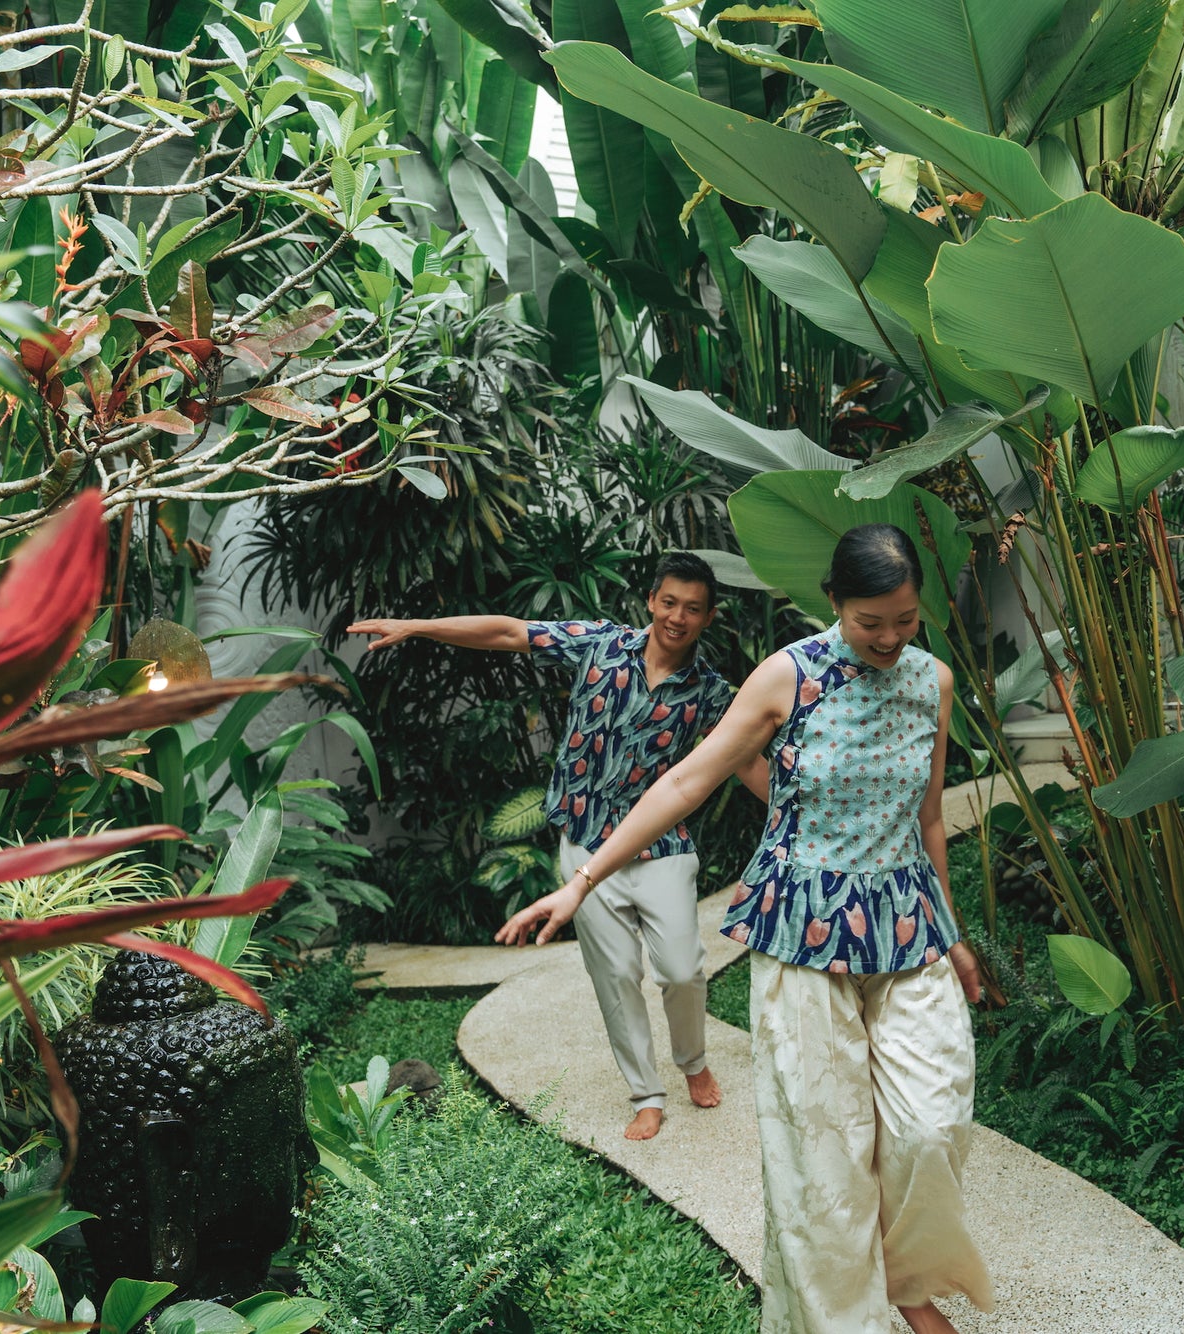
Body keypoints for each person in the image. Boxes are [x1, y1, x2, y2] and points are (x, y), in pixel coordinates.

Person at [498, 524, 995, 1334]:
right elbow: (688, 778)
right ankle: (846, 1319)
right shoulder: (786, 678)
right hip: (804, 931)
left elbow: (930, 816)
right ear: (834, 603)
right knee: (822, 1149)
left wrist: (953, 930)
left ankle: (906, 1277)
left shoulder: (930, 681)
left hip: (907, 926)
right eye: (873, 621)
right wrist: (583, 880)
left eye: (905, 620)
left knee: (931, 1126)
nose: (891, 638)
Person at [348, 552, 768, 1141]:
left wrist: (802, 815)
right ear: (651, 601)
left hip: (661, 848)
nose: (677, 617)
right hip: (583, 845)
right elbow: (506, 631)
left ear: (708, 617)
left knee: (682, 969)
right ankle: (646, 1093)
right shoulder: (598, 643)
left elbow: (746, 758)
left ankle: (692, 1062)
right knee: (616, 975)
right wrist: (417, 628)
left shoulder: (712, 692)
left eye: (692, 609)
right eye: (668, 602)